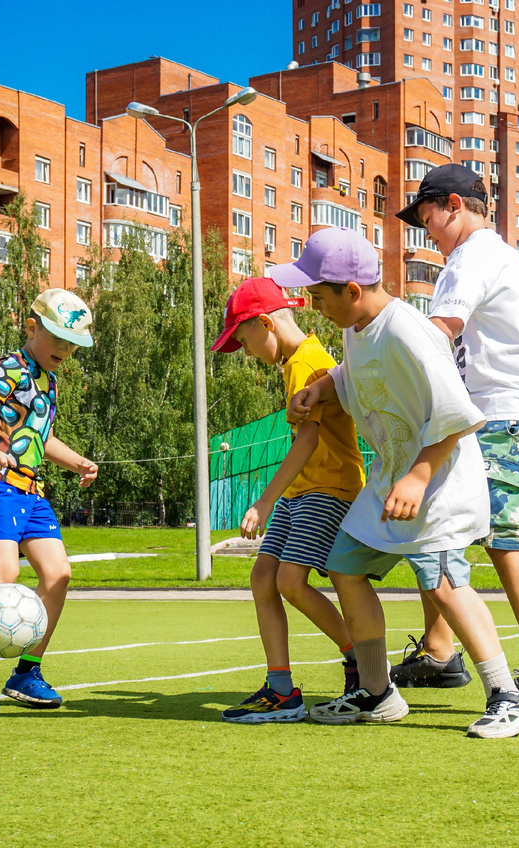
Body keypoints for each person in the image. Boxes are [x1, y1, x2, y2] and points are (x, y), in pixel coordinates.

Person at [278, 227, 519, 738]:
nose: (315, 307)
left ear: (351, 292)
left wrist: (419, 477)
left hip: (438, 483)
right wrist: (321, 389)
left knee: (444, 586)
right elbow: (355, 375)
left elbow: (459, 414)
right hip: (392, 480)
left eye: (318, 296)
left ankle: (507, 696)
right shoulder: (355, 329)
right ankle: (377, 694)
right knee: (344, 567)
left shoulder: (408, 331)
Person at [392, 163, 519, 720]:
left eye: (429, 221)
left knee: (501, 535)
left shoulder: (468, 256)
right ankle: (442, 650)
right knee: (440, 523)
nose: (429, 235)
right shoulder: (512, 258)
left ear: (453, 205)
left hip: (502, 417)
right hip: (500, 413)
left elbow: (440, 328)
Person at [210, 276, 365, 723]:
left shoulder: (305, 362)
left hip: (327, 487)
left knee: (290, 582)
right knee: (264, 578)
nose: (248, 353)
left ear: (265, 324)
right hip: (302, 490)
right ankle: (281, 689)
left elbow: (308, 441)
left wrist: (262, 502)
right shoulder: (295, 362)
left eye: (245, 340)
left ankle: (363, 660)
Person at [0, 288, 98, 714]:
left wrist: (78, 462)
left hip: (30, 488)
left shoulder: (50, 381)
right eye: (57, 339)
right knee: (5, 570)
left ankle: (27, 673)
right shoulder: (10, 367)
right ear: (31, 328)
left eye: (72, 344)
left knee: (58, 573)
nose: (64, 350)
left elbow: (38, 439)